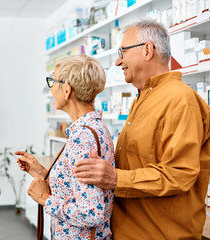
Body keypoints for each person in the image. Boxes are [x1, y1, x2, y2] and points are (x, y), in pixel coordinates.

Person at [74, 20, 210, 239]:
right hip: (128, 230)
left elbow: (179, 174)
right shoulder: (142, 98)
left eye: (123, 52)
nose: (118, 61)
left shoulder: (180, 100)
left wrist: (116, 179)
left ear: (147, 50)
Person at [16, 55, 115, 239]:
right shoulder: (94, 128)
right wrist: (41, 172)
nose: (51, 87)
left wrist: (45, 199)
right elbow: (76, 189)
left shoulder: (83, 138)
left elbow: (91, 213)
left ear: (67, 90)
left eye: (52, 81)